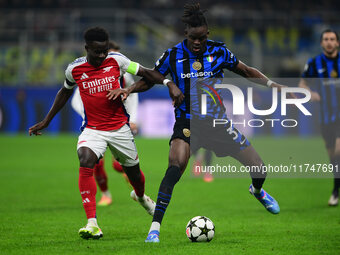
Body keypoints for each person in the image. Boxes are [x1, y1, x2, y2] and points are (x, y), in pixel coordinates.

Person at [108, 3, 289, 243]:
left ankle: (257, 191)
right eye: (193, 38)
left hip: (218, 123)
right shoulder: (173, 55)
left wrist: (273, 85)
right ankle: (154, 229)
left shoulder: (219, 52)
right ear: (186, 34)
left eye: (202, 38)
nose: (197, 43)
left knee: (260, 169)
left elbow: (246, 71)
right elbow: (152, 77)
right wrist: (130, 88)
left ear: (207, 35)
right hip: (187, 123)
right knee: (174, 168)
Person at [28, 26, 183, 240]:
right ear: (87, 48)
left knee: (134, 174)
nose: (102, 55)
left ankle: (140, 197)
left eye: (104, 50)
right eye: (97, 51)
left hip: (120, 129)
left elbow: (147, 73)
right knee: (85, 159)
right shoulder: (74, 69)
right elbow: (64, 92)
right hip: (93, 129)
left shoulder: (117, 60)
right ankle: (92, 223)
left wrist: (168, 83)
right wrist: (46, 121)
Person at [70, 41, 138, 206]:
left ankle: (132, 180)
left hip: (118, 122)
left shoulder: (124, 74)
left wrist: (133, 118)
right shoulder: (89, 73)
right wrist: (90, 115)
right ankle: (106, 195)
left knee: (118, 165)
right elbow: (75, 101)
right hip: (95, 127)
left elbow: (133, 95)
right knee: (96, 164)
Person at [299, 29, 340, 206]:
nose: (329, 42)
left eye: (332, 39)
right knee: (332, 155)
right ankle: (336, 186)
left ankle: (334, 191)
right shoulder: (314, 63)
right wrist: (311, 93)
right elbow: (303, 84)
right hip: (325, 117)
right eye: (326, 39)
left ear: (337, 42)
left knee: (338, 151)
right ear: (322, 43)